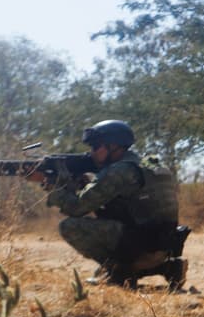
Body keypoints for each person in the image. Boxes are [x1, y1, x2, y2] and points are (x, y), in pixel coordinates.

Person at [32, 119, 189, 290]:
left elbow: (76, 208)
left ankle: (120, 272)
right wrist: (82, 185)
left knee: (69, 226)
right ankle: (167, 268)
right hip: (163, 247)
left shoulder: (120, 171)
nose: (91, 153)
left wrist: (52, 185)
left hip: (140, 246)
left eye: (95, 147)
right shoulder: (146, 164)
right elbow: (122, 202)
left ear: (114, 146)